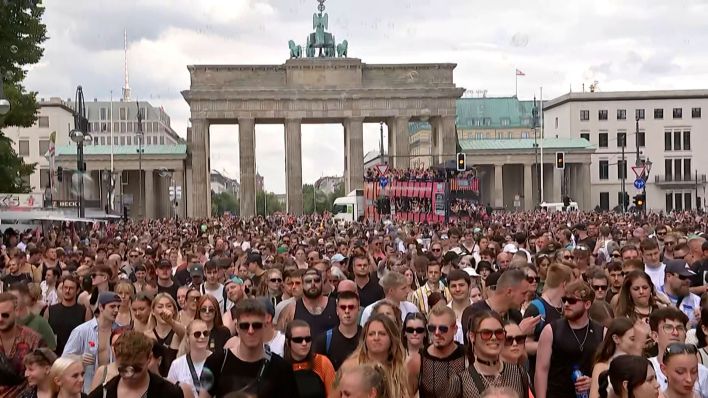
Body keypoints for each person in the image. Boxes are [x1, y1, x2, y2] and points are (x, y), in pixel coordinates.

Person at [202, 298, 299, 397]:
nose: (251, 331)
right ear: (237, 327)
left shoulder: (282, 369)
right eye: (245, 326)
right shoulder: (216, 362)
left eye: (256, 325)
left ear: (265, 326)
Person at [535, 280, 604, 398]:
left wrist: (594, 381)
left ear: (587, 304)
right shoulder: (551, 330)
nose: (566, 304)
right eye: (564, 300)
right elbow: (541, 371)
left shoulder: (602, 332)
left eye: (572, 301)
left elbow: (609, 368)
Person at [448, 310, 529, 398]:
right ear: (472, 336)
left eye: (499, 333)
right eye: (486, 333)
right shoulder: (460, 382)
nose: (494, 337)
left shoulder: (518, 373)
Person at [87, 331, 184, 398]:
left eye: (137, 368)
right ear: (116, 358)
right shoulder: (103, 393)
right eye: (124, 369)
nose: (130, 375)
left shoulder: (169, 393)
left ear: (149, 358)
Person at [335, 314, 411, 398]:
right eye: (371, 334)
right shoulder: (350, 366)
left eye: (382, 334)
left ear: (391, 338)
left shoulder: (400, 368)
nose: (376, 338)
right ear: (365, 338)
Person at [63, 291, 121, 394]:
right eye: (112, 306)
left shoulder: (120, 332)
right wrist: (79, 359)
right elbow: (63, 360)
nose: (116, 310)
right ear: (101, 307)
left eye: (118, 307)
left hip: (112, 389)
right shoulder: (81, 331)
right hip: (87, 388)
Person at [523, 263, 573, 380]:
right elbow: (526, 345)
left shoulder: (565, 307)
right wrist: (552, 346)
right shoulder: (536, 308)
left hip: (563, 377)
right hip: (542, 378)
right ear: (564, 284)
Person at [647, 307, 708, 398]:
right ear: (655, 336)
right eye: (668, 328)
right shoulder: (646, 369)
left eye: (679, 328)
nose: (675, 333)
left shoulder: (702, 372)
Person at [408, 304, 466, 398]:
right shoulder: (417, 360)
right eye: (432, 328)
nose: (437, 333)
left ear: (454, 330)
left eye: (443, 329)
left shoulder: (468, 356)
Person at [462, 269, 539, 340]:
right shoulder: (474, 312)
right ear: (509, 292)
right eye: (523, 293)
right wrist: (519, 331)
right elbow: (477, 346)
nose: (525, 299)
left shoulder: (515, 315)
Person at [589, 318, 646, 398]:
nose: (635, 344)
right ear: (616, 338)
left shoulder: (641, 363)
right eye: (632, 339)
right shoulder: (601, 367)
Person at [277, 268, 338, 337]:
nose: (313, 284)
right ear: (302, 284)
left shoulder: (337, 305)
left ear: (322, 282)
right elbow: (279, 339)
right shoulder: (290, 310)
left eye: (316, 280)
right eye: (308, 281)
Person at [284, 319, 336, 398]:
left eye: (308, 339)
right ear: (288, 342)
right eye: (298, 340)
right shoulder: (280, 368)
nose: (304, 343)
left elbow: (334, 395)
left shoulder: (322, 362)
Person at [312, 290, 362, 371]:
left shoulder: (367, 336)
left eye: (351, 307)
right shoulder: (324, 340)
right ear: (337, 310)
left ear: (358, 309)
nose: (347, 311)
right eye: (343, 307)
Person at [168, 319, 211, 398]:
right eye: (197, 334)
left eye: (205, 333)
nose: (202, 337)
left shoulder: (218, 360)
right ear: (187, 338)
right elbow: (169, 393)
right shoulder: (176, 365)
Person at [8, 283, 57, 350]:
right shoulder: (6, 322)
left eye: (14, 298)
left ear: (25, 297)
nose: (10, 302)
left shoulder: (40, 323)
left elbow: (51, 350)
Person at [145, 293, 183, 377]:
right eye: (160, 306)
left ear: (174, 310)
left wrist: (171, 321)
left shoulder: (178, 333)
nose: (164, 310)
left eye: (169, 306)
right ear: (153, 311)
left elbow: (185, 334)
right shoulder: (145, 336)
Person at [660, 260, 701, 326]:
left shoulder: (696, 300)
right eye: (683, 277)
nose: (688, 281)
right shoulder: (657, 296)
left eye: (690, 277)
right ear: (668, 276)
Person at [446, 269, 474, 344]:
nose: (457, 289)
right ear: (448, 288)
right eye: (453, 286)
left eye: (461, 285)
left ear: (469, 286)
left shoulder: (479, 311)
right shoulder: (444, 313)